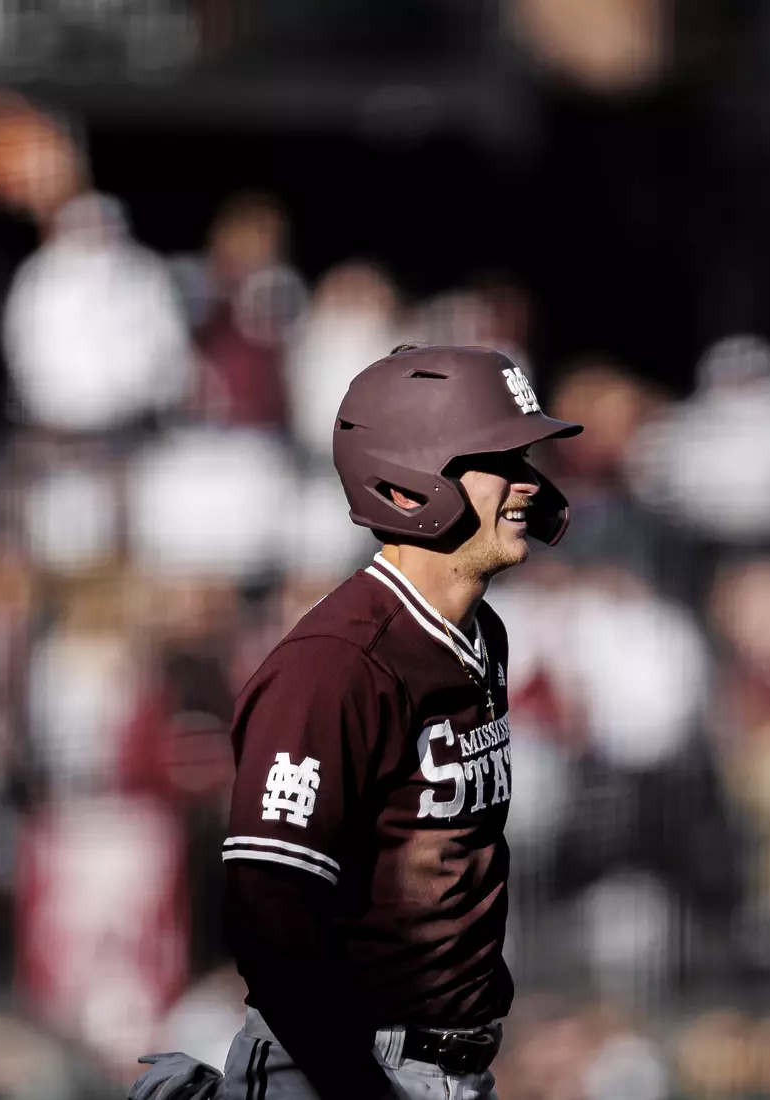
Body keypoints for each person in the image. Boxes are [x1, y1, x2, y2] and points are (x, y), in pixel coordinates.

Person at [129, 344, 583, 1100]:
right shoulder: (335, 663)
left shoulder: (481, 635)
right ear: (410, 483)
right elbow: (268, 905)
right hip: (345, 1066)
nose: (526, 485)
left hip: (449, 1068)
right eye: (500, 459)